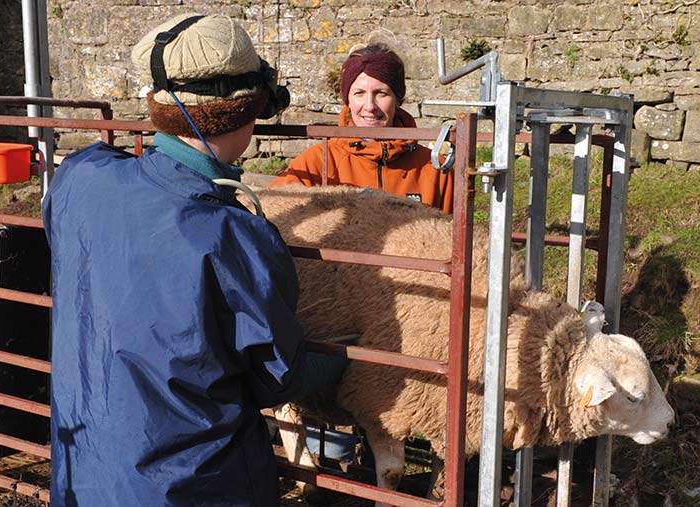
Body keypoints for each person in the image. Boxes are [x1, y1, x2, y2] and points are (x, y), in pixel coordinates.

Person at [43, 13, 348, 507]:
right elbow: (275, 378)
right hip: (194, 487)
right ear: (248, 110)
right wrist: (342, 361)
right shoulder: (231, 235)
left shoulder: (80, 177)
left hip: (87, 477)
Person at [270, 43, 456, 213]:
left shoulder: (435, 169)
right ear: (347, 100)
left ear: (398, 99)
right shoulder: (318, 162)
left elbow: (454, 240)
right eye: (359, 93)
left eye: (381, 93)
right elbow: (272, 213)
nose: (369, 106)